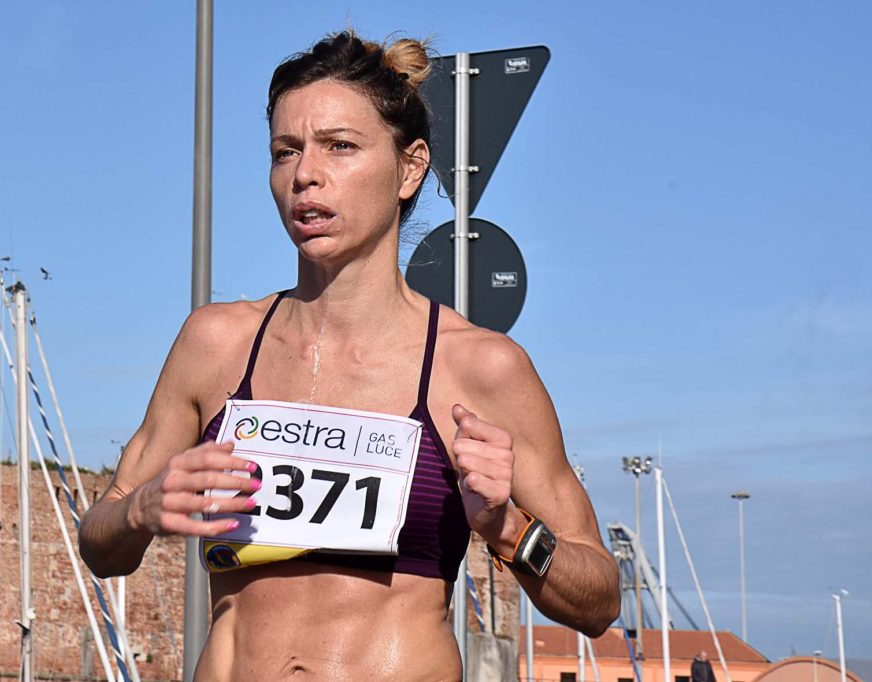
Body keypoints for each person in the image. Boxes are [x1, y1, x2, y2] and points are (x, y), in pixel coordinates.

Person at [79, 30, 619, 680]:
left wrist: (507, 528)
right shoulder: (216, 343)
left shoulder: (479, 367)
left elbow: (599, 600)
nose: (305, 174)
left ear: (410, 168)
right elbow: (102, 543)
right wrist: (139, 509)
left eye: (340, 146)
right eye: (286, 151)